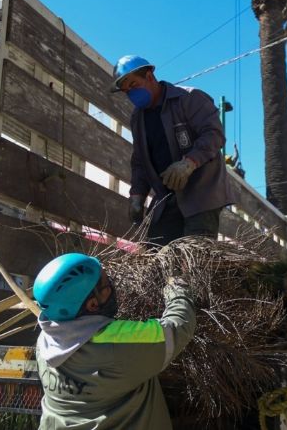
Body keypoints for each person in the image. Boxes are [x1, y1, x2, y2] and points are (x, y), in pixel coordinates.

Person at [33, 253, 195, 429]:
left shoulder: (44, 342)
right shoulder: (117, 345)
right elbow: (179, 327)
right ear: (93, 305)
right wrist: (177, 288)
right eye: (106, 285)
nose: (111, 285)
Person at [113, 55, 234, 246]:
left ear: (149, 76)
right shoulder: (138, 118)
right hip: (167, 197)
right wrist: (137, 196)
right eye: (127, 91)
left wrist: (188, 163)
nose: (131, 93)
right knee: (156, 254)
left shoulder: (189, 98)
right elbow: (140, 161)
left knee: (194, 256)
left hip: (201, 195)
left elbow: (214, 134)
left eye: (134, 85)